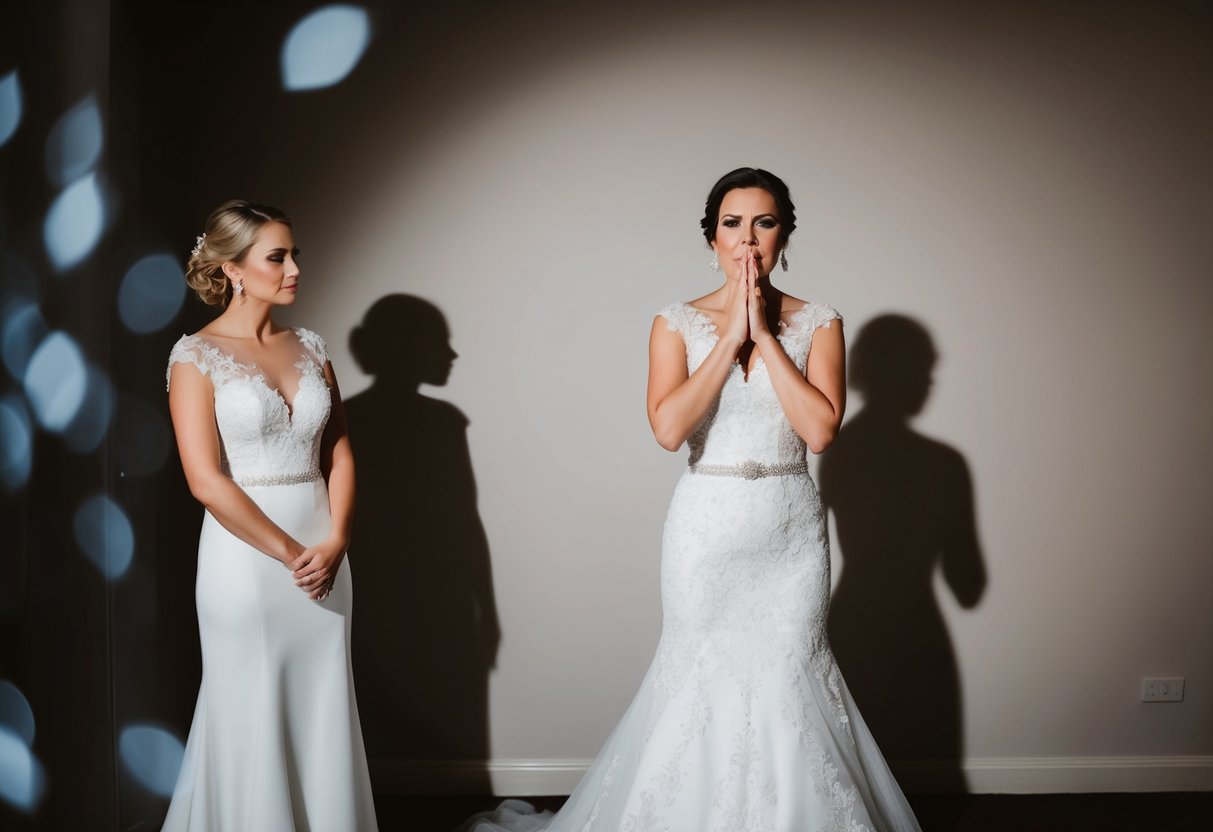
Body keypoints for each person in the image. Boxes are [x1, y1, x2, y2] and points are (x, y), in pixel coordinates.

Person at [465, 168, 920, 831]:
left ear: (784, 233)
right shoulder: (674, 322)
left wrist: (764, 334)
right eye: (732, 223)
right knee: (696, 676)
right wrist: (729, 337)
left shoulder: (818, 322)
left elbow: (819, 431)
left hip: (788, 531)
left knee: (791, 674)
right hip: (706, 528)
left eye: (763, 223)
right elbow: (669, 429)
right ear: (711, 236)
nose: (747, 240)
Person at [163, 200, 378, 831]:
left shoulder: (309, 346)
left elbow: (338, 451)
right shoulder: (193, 357)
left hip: (325, 550)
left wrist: (335, 537)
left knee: (324, 700)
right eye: (277, 257)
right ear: (232, 269)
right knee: (249, 702)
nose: (293, 270)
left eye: (294, 255)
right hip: (247, 559)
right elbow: (205, 481)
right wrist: (292, 553)